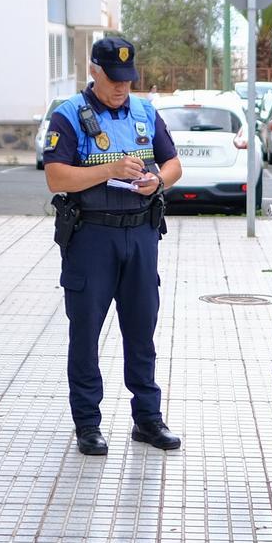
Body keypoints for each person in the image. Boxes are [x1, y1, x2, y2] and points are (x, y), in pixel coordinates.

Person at [43, 37, 184, 456]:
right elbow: (56, 177)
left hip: (141, 233)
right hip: (92, 237)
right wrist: (110, 170)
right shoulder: (68, 115)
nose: (122, 87)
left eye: (127, 79)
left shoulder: (144, 111)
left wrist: (158, 181)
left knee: (142, 330)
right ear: (94, 71)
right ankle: (88, 423)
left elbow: (173, 163)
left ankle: (148, 419)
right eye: (113, 78)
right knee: (85, 333)